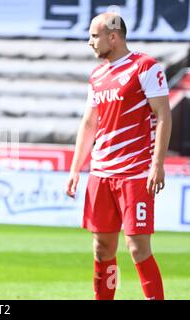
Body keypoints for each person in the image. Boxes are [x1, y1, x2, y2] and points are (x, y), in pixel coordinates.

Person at [66, 13, 172, 300]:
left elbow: (163, 115)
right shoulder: (97, 76)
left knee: (138, 247)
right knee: (102, 248)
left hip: (135, 174)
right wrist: (76, 169)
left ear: (113, 36)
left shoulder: (145, 67)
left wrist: (157, 164)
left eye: (94, 36)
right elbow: (89, 124)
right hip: (100, 174)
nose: (89, 42)